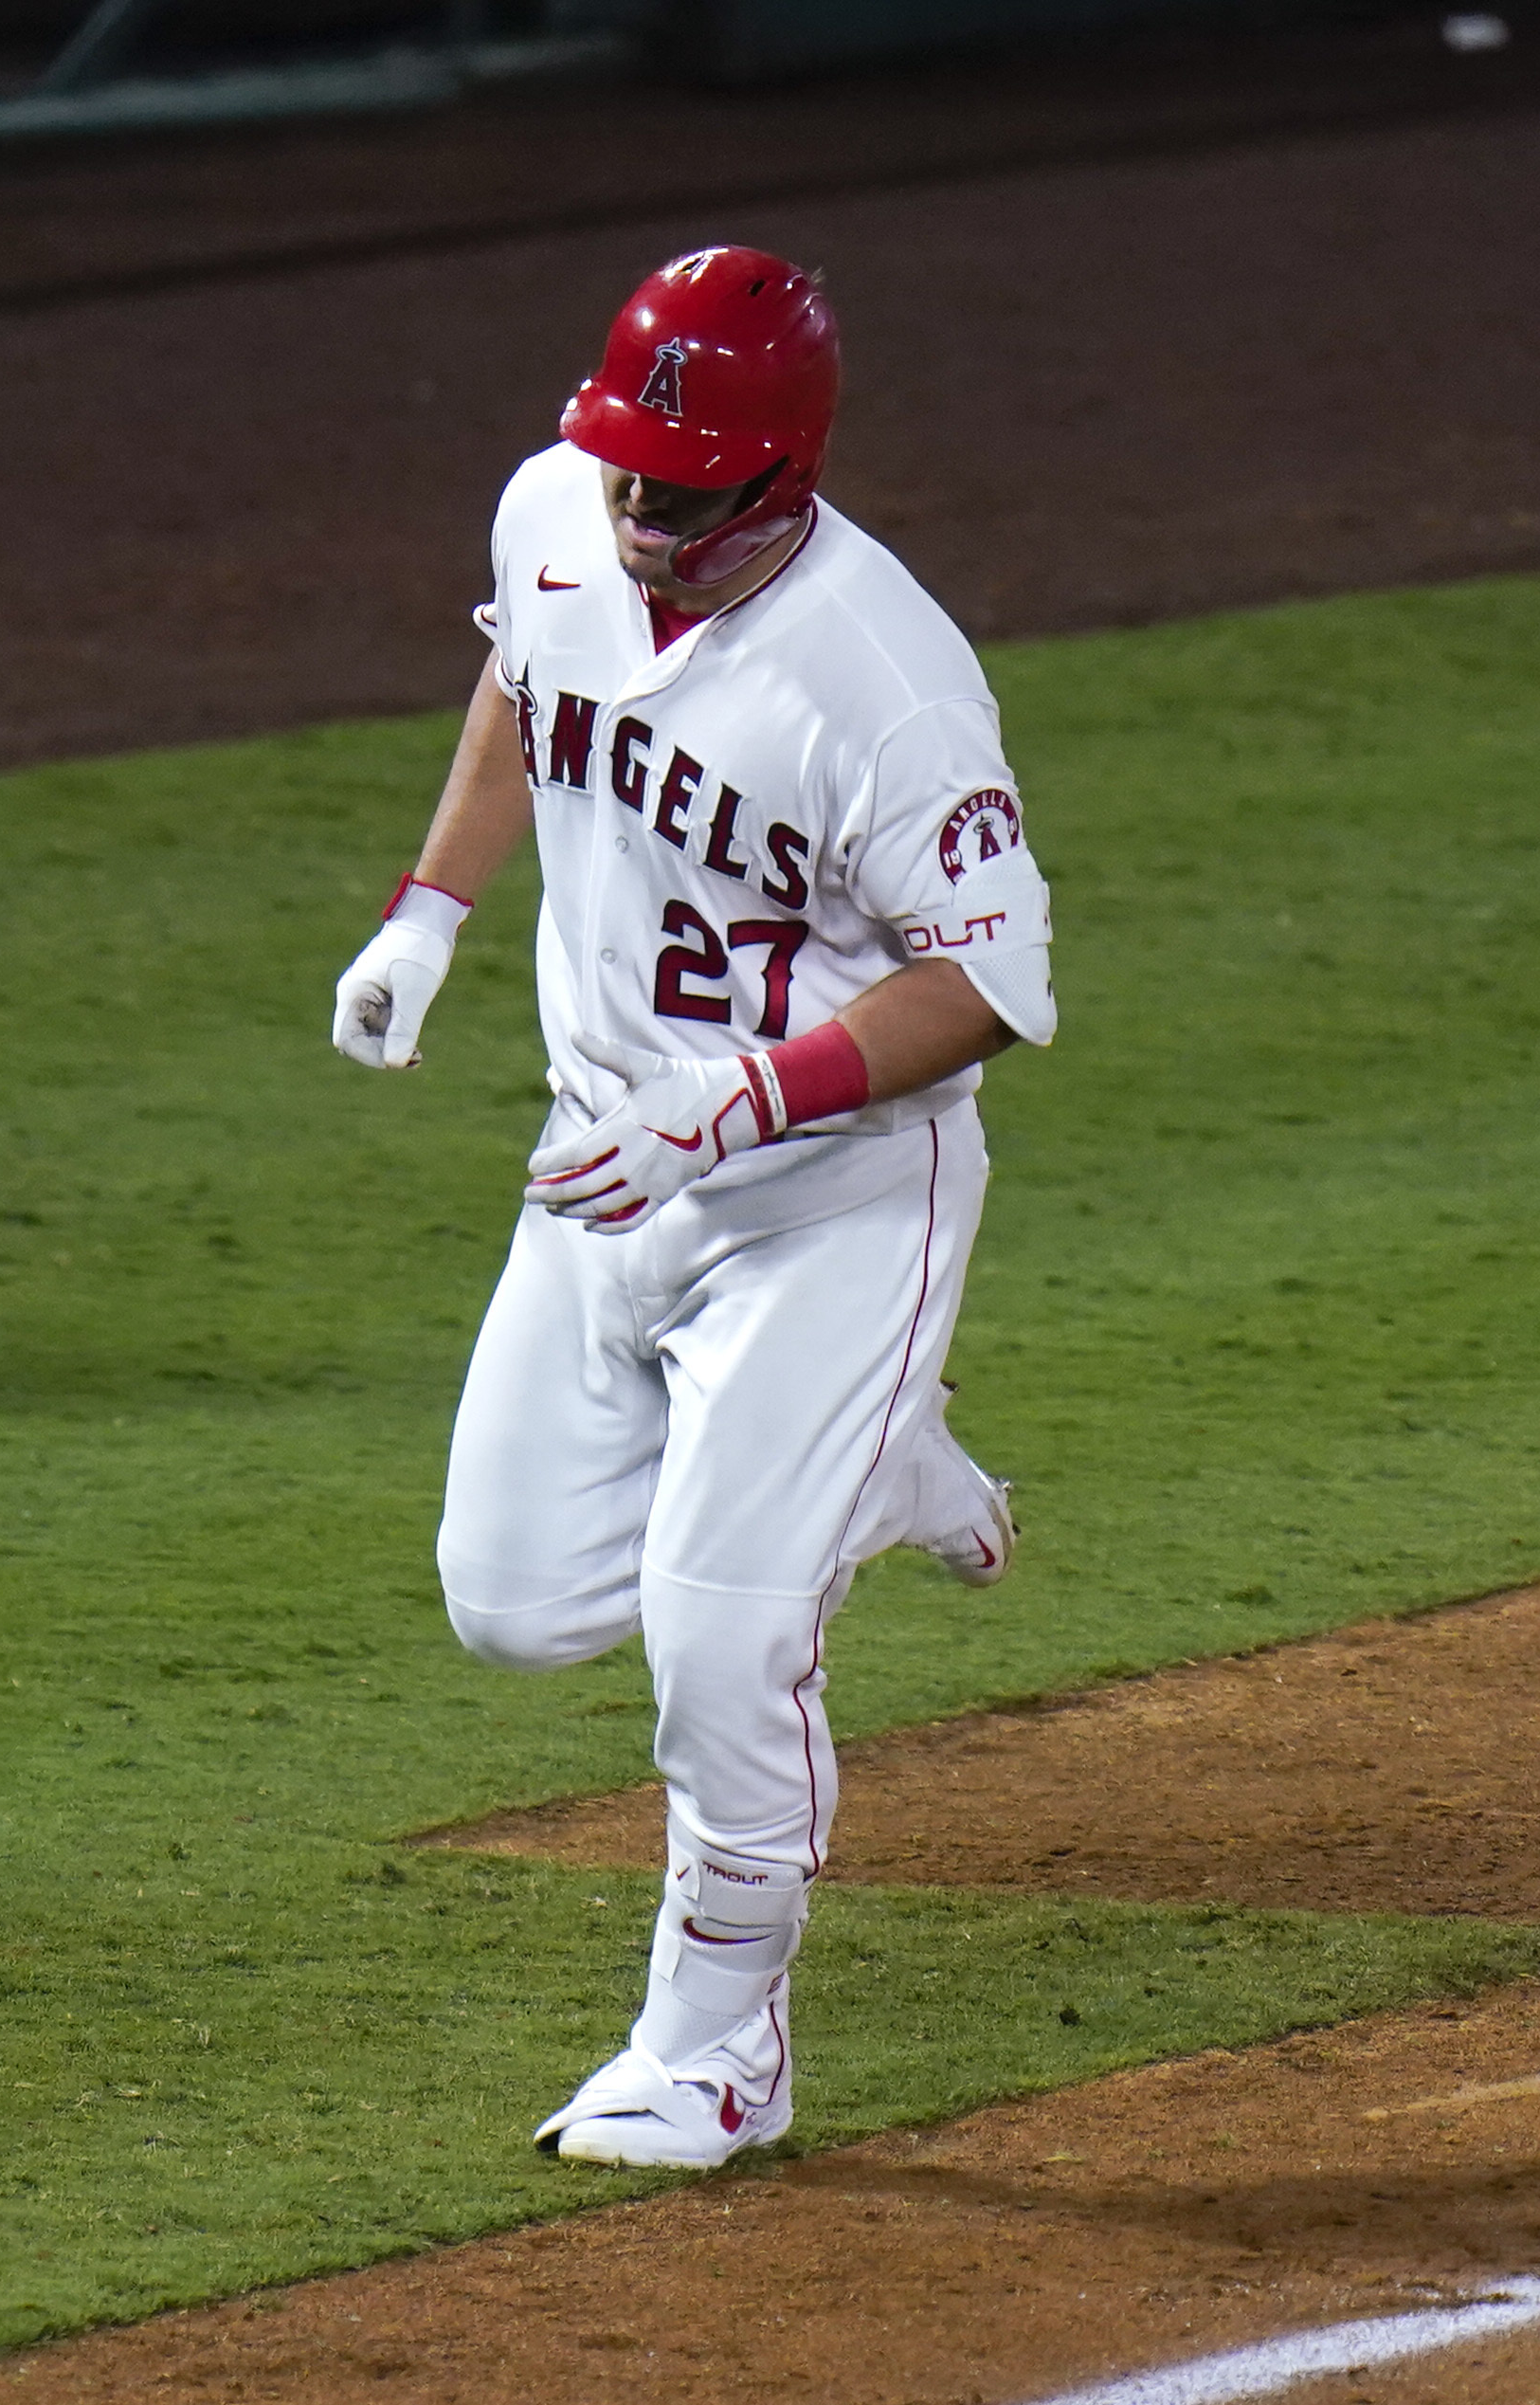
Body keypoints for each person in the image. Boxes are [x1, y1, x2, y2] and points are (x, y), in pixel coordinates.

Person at [329, 246, 1058, 2170]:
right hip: (596, 1168)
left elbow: (991, 983)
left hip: (827, 1200)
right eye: (627, 472)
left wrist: (733, 1102)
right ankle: (875, 1457)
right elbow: (524, 679)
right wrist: (429, 911)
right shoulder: (560, 509)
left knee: (719, 1638)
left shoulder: (882, 679)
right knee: (512, 1606)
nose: (641, 516)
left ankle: (718, 2046)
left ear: (782, 473)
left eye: (683, 488)